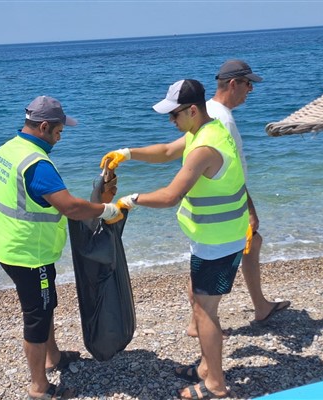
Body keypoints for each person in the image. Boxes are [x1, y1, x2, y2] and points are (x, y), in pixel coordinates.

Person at [101, 79, 248, 399]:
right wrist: (126, 153)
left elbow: (170, 195)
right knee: (198, 299)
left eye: (174, 115)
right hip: (215, 237)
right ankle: (208, 367)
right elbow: (167, 151)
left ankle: (215, 384)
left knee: (205, 310)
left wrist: (129, 200)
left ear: (192, 110)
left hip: (218, 241)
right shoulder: (203, 131)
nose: (171, 121)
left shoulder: (206, 148)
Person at [0, 95, 123, 400]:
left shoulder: (8, 149)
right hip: (29, 254)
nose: (60, 138)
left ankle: (54, 357)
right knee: (37, 316)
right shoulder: (37, 164)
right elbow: (70, 207)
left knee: (46, 303)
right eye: (59, 132)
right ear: (45, 126)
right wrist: (106, 210)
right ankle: (39, 387)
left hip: (9, 245)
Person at [201, 59, 290, 329]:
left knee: (244, 246)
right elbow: (231, 171)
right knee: (215, 260)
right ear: (232, 83)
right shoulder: (222, 119)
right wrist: (250, 209)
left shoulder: (207, 110)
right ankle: (203, 321)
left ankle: (260, 306)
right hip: (224, 202)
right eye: (248, 84)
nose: (250, 89)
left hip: (212, 201)